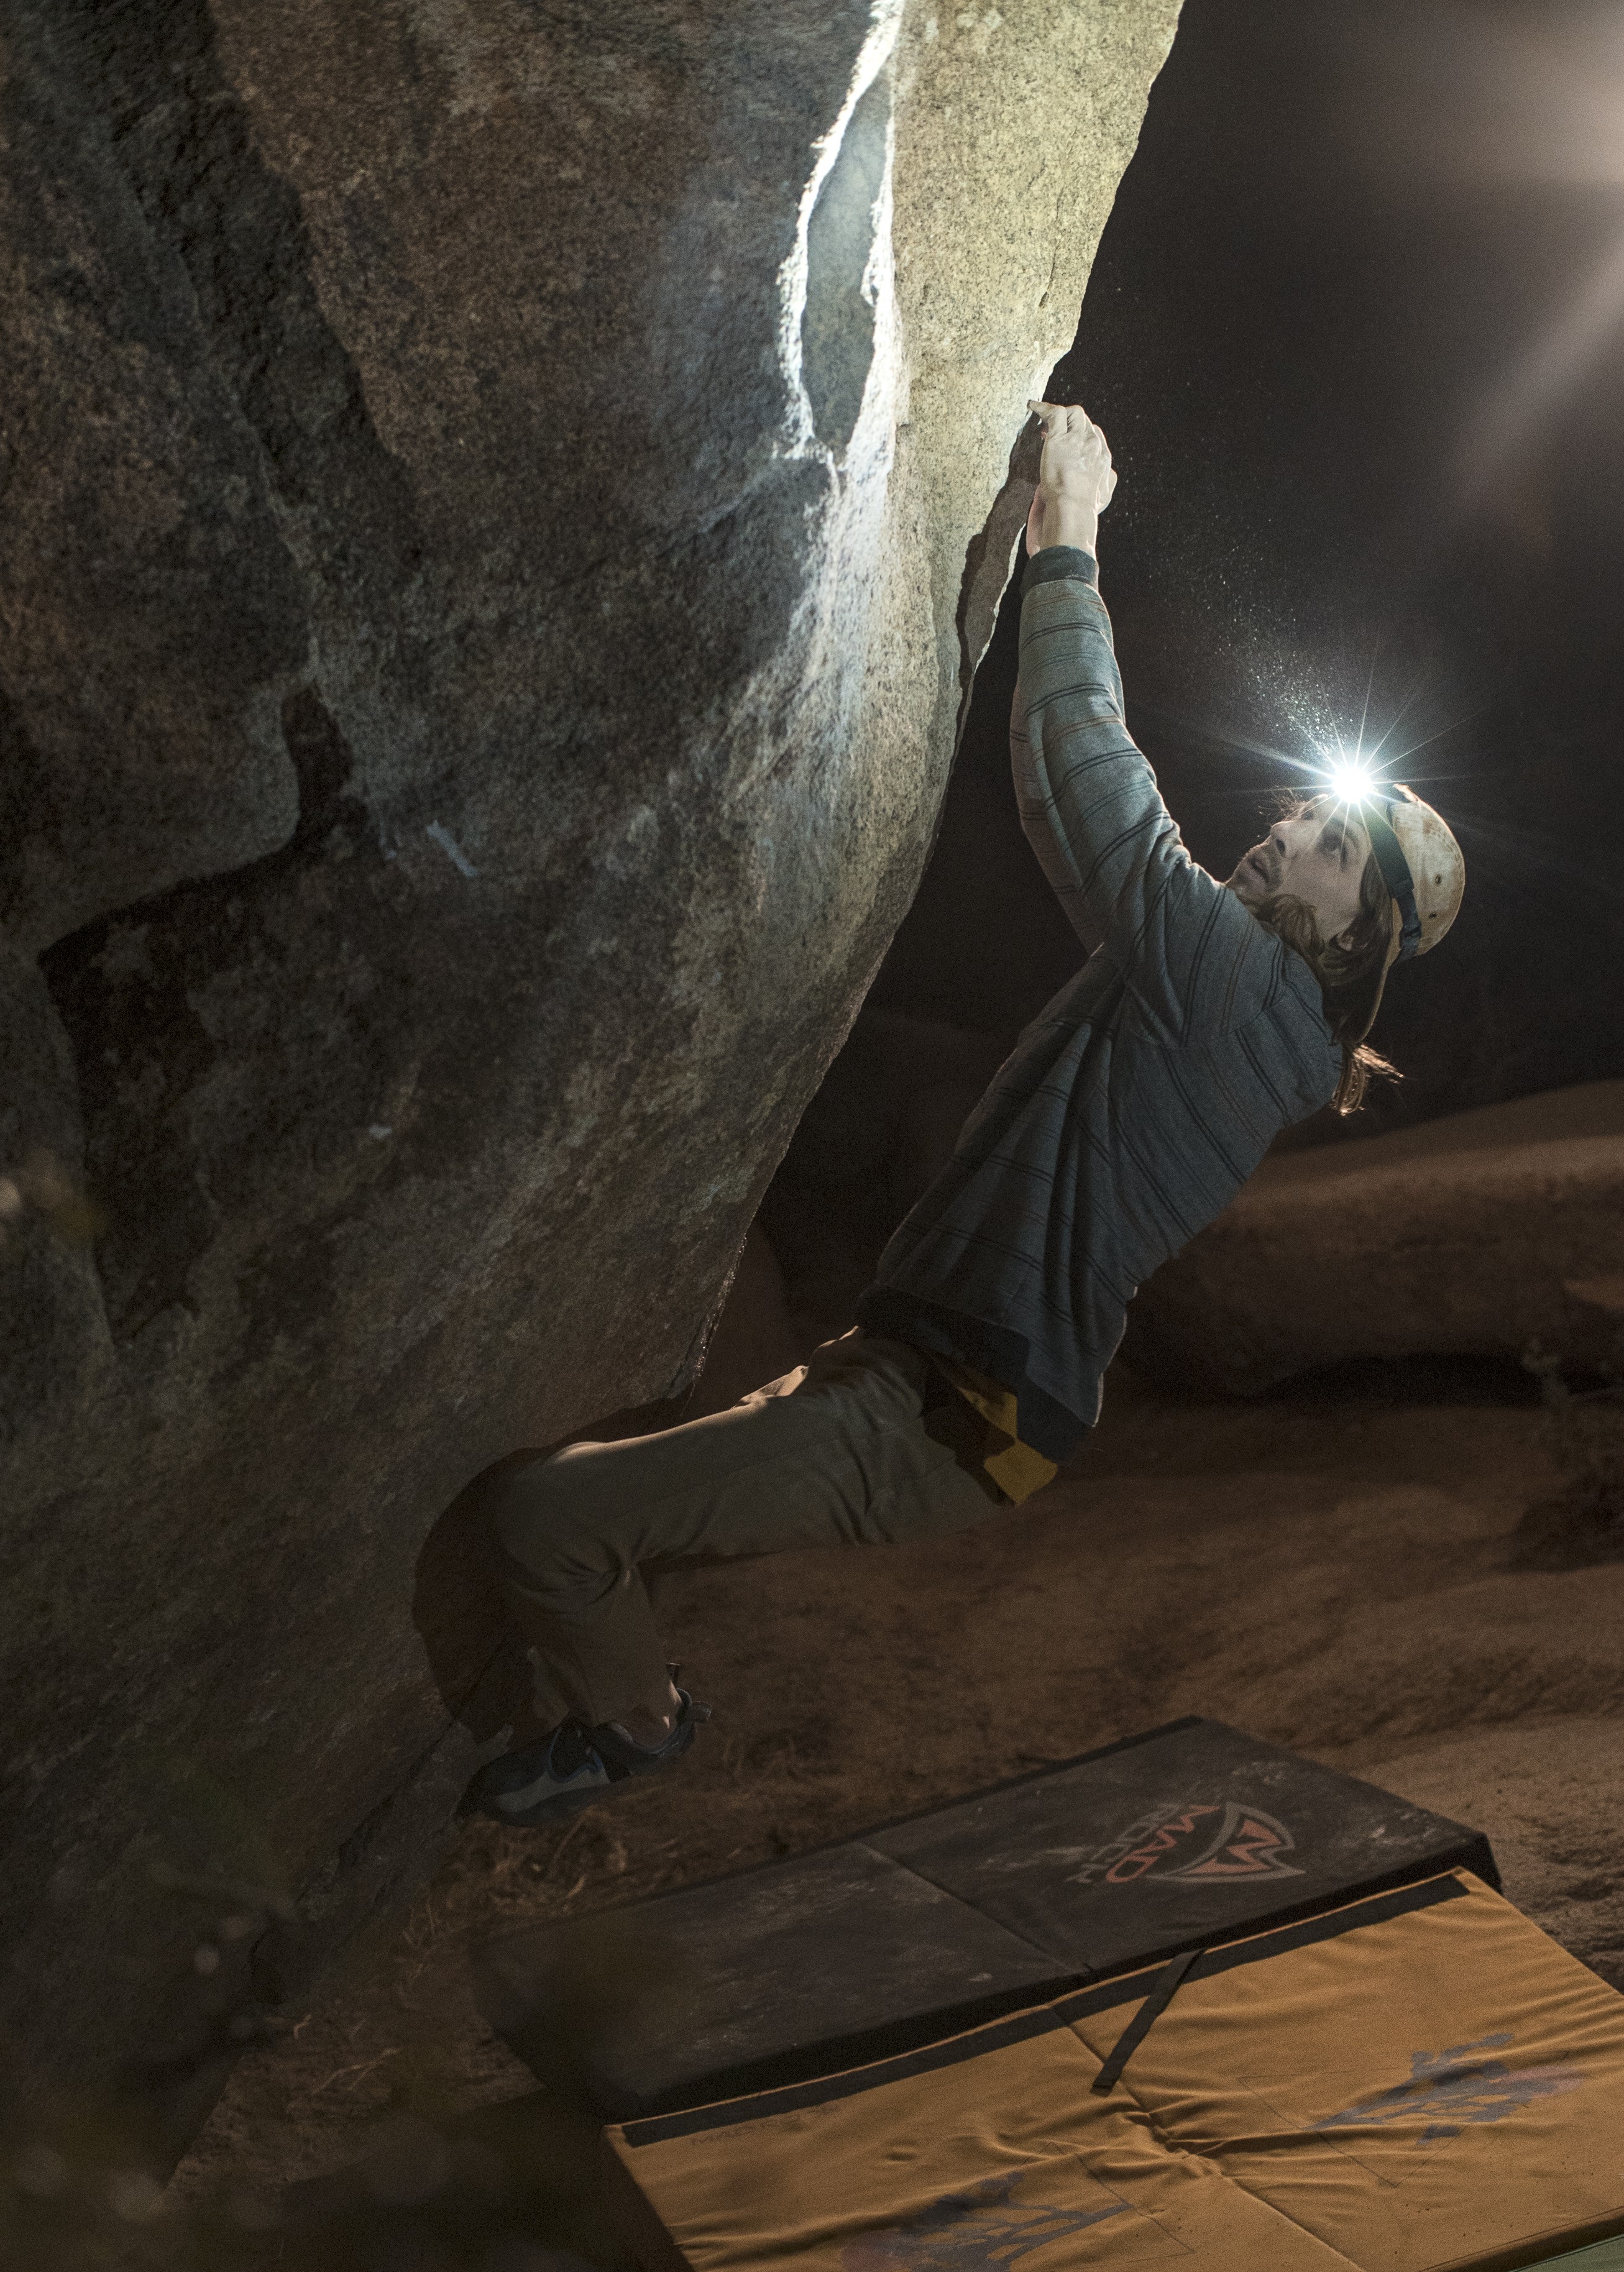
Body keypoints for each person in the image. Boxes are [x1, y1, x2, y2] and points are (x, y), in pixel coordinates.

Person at [468, 405, 1467, 1826]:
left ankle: (635, 1725)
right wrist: (1036, 560)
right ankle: (603, 1687)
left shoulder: (1240, 997)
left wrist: (1074, 543)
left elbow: (1096, 777)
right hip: (929, 1377)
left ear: (1357, 932)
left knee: (548, 1516)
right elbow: (1066, 813)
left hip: (946, 1417)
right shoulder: (1223, 989)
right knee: (606, 1502)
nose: (1291, 829)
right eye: (1308, 811)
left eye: (1333, 846)